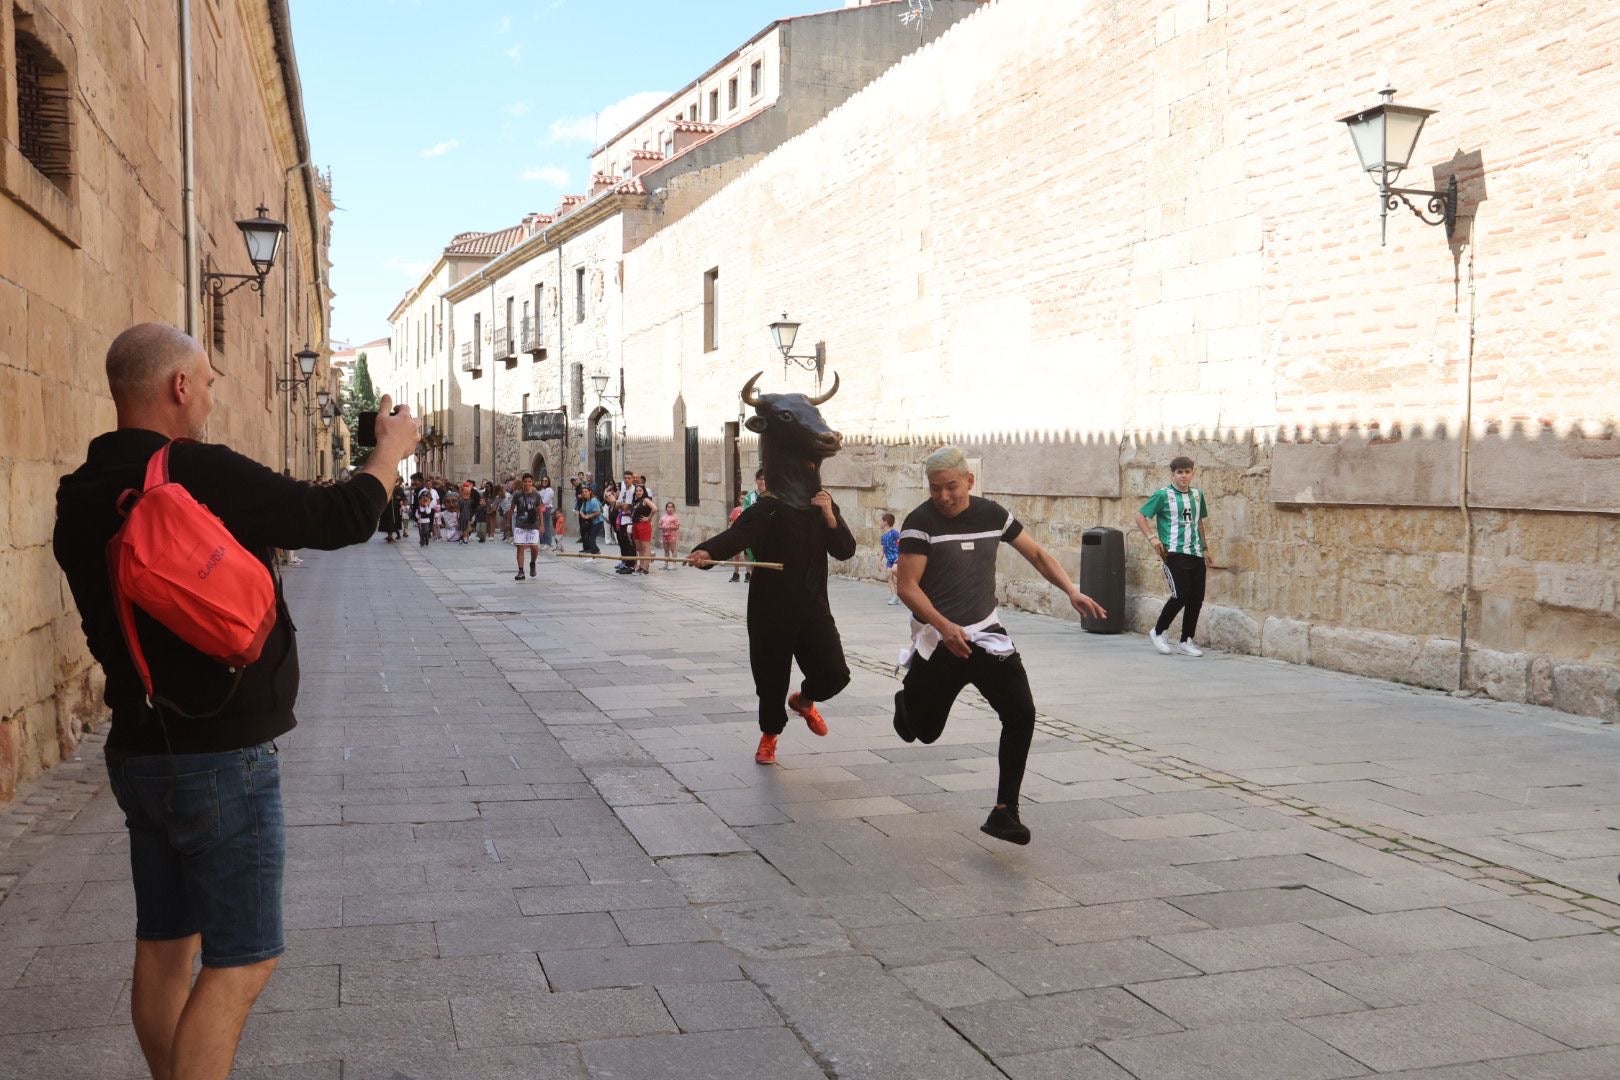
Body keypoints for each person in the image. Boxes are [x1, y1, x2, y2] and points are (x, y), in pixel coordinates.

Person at [51, 322, 416, 1080]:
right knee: (243, 960)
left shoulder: (80, 490)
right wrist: (388, 453)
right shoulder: (194, 470)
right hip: (221, 757)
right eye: (209, 383)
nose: (212, 397)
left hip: (138, 750)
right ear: (179, 385)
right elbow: (336, 518)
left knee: (164, 946)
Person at [892, 446, 1106, 845]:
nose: (943, 496)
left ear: (969, 481)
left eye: (951, 487)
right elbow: (907, 587)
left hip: (987, 635)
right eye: (935, 488)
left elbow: (1036, 554)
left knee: (1021, 712)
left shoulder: (992, 515)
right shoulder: (920, 523)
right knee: (924, 731)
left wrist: (1071, 590)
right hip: (940, 641)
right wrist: (944, 625)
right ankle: (907, 703)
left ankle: (1005, 811)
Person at [688, 477, 856, 766]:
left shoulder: (821, 504)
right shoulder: (767, 508)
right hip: (770, 609)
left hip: (813, 606)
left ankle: (804, 700)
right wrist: (709, 552)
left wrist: (831, 516)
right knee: (771, 680)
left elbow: (845, 549)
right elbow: (737, 536)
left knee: (835, 672)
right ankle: (769, 735)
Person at [1135, 455, 1212, 657]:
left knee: (1196, 598)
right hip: (1175, 552)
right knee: (1181, 594)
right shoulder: (1163, 495)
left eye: (1187, 472)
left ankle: (1186, 640)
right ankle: (1158, 631)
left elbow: (1198, 521)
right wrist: (1152, 538)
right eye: (1180, 472)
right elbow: (1140, 516)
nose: (1184, 476)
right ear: (1173, 474)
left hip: (1195, 552)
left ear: (1193, 473)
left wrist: (1205, 548)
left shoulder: (1197, 495)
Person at [730, 469, 766, 583]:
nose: (763, 481)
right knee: (753, 560)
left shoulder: (773, 496)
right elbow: (745, 515)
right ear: (756, 480)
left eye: (765, 479)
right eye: (760, 479)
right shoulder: (749, 497)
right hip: (754, 535)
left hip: (768, 536)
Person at [511, 473, 543, 580]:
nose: (527, 483)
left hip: (533, 524)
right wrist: (508, 522)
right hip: (520, 524)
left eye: (529, 481)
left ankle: (533, 562)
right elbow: (511, 508)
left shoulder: (536, 495)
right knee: (520, 547)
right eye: (525, 481)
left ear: (532, 482)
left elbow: (540, 511)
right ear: (522, 482)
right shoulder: (517, 495)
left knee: (534, 546)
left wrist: (542, 524)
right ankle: (521, 571)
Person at [628, 483, 656, 574]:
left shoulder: (645, 500)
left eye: (640, 490)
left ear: (644, 491)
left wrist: (648, 518)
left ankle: (645, 567)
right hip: (635, 525)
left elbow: (654, 508)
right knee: (639, 547)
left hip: (643, 525)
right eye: (637, 491)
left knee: (645, 546)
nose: (638, 492)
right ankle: (641, 565)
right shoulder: (636, 501)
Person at [879, 511, 901, 604]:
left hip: (897, 558)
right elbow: (883, 549)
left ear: (886, 522)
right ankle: (894, 596)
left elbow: (901, 544)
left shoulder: (894, 533)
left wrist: (900, 556)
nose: (879, 523)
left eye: (881, 521)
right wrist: (879, 561)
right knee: (889, 575)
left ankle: (907, 584)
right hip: (889, 559)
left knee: (894, 571)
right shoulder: (883, 537)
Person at [578, 484, 604, 554]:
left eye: (586, 491)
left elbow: (598, 512)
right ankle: (596, 551)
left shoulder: (593, 500)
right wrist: (584, 516)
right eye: (583, 492)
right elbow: (581, 511)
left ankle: (595, 552)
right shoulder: (585, 501)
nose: (584, 493)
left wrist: (588, 517)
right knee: (589, 537)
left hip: (598, 522)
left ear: (590, 492)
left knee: (591, 538)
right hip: (592, 522)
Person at [659, 501, 681, 569]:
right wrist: (663, 527)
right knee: (666, 550)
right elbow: (659, 525)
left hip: (672, 535)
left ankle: (674, 565)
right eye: (668, 507)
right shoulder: (663, 517)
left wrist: (670, 527)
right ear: (666, 508)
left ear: (674, 508)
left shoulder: (675, 517)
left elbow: (677, 526)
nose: (670, 508)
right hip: (664, 535)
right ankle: (666, 564)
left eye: (671, 507)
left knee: (673, 549)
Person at [537, 473, 556, 552]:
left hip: (546, 509)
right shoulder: (541, 490)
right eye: (543, 480)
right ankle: (542, 542)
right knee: (541, 525)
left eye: (546, 481)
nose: (544, 482)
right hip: (540, 509)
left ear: (548, 482)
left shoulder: (549, 490)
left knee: (546, 525)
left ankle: (548, 543)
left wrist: (538, 502)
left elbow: (545, 501)